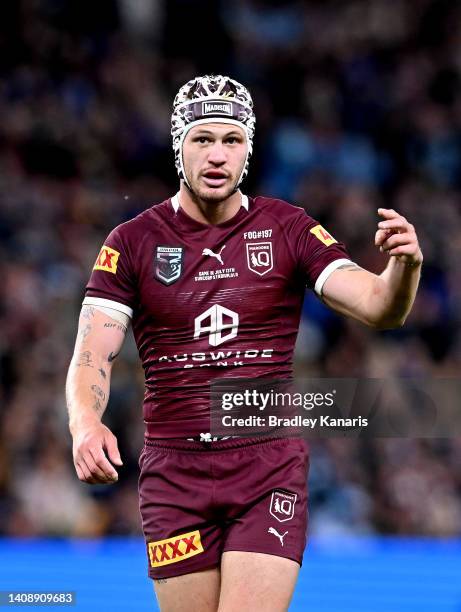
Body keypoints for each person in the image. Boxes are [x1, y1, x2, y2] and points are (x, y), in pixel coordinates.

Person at [66, 75, 423, 611]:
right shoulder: (132, 242)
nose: (216, 155)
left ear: (249, 149)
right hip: (173, 475)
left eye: (231, 140)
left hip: (266, 467)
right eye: (201, 139)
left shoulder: (288, 228)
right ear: (178, 146)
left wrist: (404, 268)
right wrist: (86, 424)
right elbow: (92, 352)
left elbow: (379, 307)